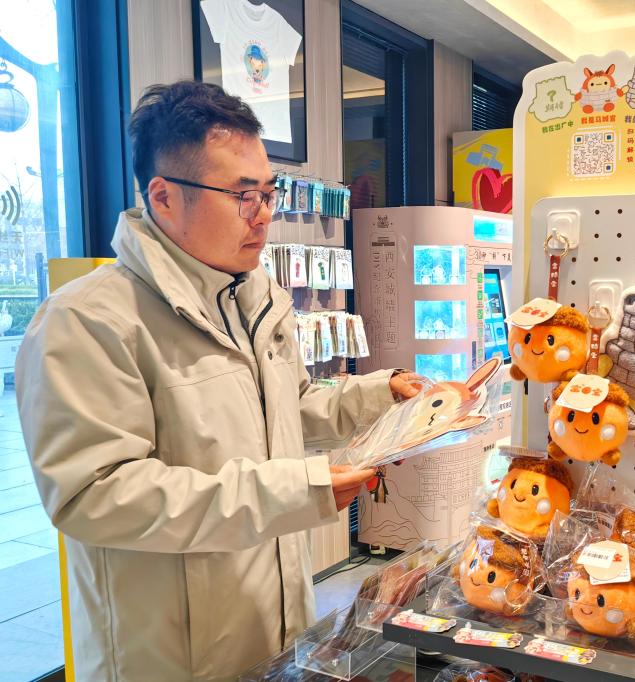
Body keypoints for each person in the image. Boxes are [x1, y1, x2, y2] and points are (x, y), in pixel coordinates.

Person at [15, 80, 419, 681]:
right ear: (164, 197)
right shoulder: (88, 320)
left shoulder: (258, 297)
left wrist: (381, 395)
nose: (264, 214)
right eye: (242, 195)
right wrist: (293, 491)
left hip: (273, 629)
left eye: (269, 193)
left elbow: (287, 410)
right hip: (169, 659)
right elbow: (94, 495)